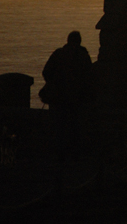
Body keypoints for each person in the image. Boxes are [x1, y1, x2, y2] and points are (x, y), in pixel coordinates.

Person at [42, 31, 93, 159]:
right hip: (77, 99)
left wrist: (54, 83)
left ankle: (59, 153)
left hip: (58, 98)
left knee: (59, 126)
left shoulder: (58, 54)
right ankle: (74, 154)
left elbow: (46, 72)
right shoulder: (83, 56)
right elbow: (89, 78)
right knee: (76, 126)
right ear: (79, 41)